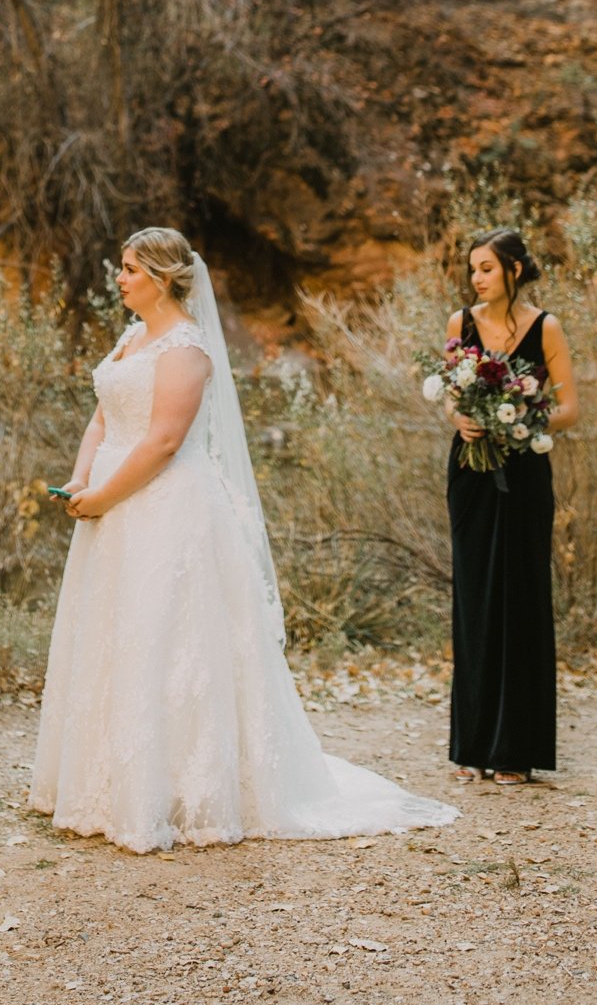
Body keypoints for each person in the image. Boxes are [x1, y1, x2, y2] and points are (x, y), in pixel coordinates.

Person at [30, 227, 456, 852]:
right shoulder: (130, 338)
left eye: (128, 269)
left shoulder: (185, 350)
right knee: (115, 639)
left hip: (162, 509)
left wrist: (104, 493)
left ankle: (181, 793)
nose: (118, 279)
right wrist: (78, 478)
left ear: (163, 277)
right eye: (119, 268)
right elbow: (103, 417)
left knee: (169, 643)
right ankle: (111, 782)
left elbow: (164, 442)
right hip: (111, 506)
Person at [444, 227, 579, 784]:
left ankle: (515, 751)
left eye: (486, 268)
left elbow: (570, 406)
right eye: (473, 269)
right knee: (475, 601)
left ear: (514, 271)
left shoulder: (546, 327)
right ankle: (472, 746)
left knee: (522, 598)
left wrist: (525, 418)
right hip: (471, 472)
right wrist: (461, 415)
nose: (476, 278)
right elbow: (452, 390)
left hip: (523, 473)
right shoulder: (461, 323)